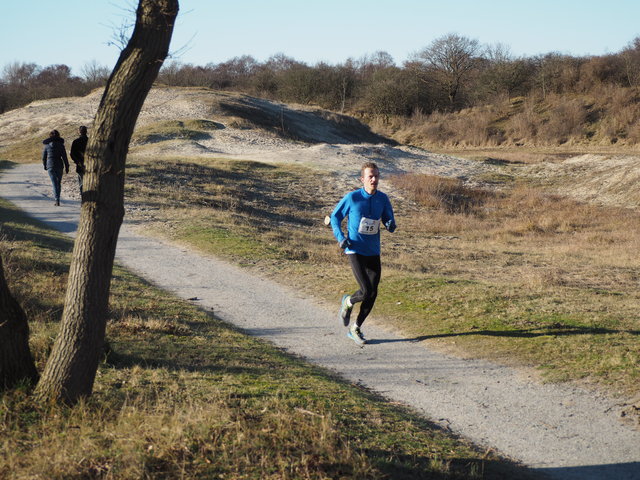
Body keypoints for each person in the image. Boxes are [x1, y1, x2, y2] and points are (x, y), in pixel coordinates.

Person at [330, 162, 396, 345]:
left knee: (373, 293)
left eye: (376, 176)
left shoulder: (383, 198)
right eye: (370, 176)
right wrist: (340, 237)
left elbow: (389, 219)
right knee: (366, 290)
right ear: (362, 179)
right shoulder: (352, 198)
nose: (374, 179)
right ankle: (348, 302)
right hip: (355, 248)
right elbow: (335, 216)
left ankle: (356, 328)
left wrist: (390, 224)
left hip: (373, 250)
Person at [42, 130, 69, 206]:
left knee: (54, 183)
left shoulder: (46, 146)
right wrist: (67, 166)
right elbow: (64, 157)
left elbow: (44, 157)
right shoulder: (61, 145)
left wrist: (45, 165)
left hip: (50, 165)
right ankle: (58, 199)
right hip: (59, 165)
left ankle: (56, 200)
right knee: (58, 183)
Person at [70, 125, 88, 195]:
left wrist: (77, 162)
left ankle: (83, 198)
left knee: (81, 183)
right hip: (90, 165)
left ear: (79, 132)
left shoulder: (76, 141)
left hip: (80, 165)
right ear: (86, 132)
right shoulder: (90, 141)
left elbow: (72, 154)